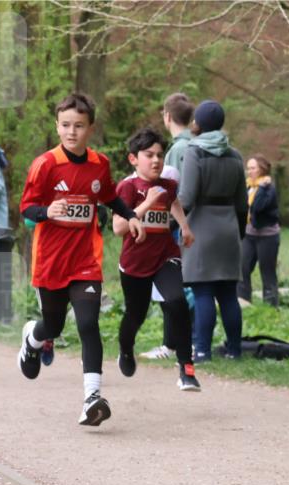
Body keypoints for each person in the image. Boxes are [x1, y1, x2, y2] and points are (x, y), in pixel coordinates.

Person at [16, 92, 142, 426]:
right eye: (66, 125)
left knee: (88, 324)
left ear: (90, 128)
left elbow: (110, 196)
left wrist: (131, 216)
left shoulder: (99, 164)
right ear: (57, 126)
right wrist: (47, 211)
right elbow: (26, 207)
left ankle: (92, 398)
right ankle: (32, 338)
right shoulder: (45, 164)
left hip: (86, 260)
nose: (72, 132)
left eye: (79, 126)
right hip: (50, 261)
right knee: (53, 326)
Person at [111, 127, 200, 391]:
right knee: (135, 315)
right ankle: (125, 349)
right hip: (135, 263)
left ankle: (186, 369)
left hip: (165, 256)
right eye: (149, 155)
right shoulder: (127, 187)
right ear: (133, 159)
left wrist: (184, 226)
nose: (156, 160)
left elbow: (173, 202)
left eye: (160, 155)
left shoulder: (168, 185)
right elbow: (118, 228)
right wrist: (146, 204)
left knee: (177, 301)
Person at [178, 100, 248, 363]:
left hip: (201, 227)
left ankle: (203, 350)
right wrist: (239, 231)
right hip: (228, 227)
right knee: (228, 294)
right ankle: (234, 350)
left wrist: (175, 224)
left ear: (198, 123)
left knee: (203, 292)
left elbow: (187, 197)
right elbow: (242, 202)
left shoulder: (194, 152)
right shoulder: (235, 155)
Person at [142, 92, 196, 361]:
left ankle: (172, 344)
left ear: (167, 117)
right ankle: (187, 342)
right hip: (196, 224)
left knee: (172, 288)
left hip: (176, 227)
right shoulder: (198, 145)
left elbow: (170, 194)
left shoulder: (176, 151)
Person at [238, 154, 280, 307]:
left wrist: (261, 188)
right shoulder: (248, 186)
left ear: (262, 169)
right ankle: (243, 303)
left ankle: (271, 306)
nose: (249, 171)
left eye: (253, 168)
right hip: (249, 235)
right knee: (242, 268)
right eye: (248, 168)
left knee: (267, 271)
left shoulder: (268, 188)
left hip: (268, 236)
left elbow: (258, 206)